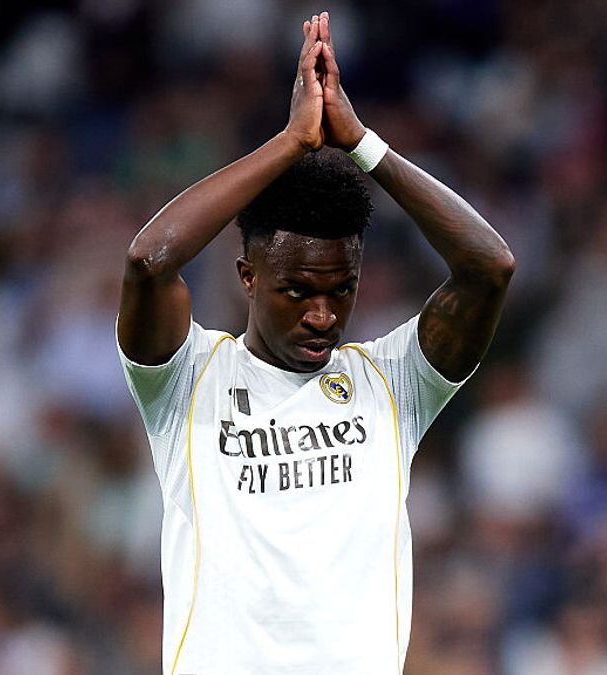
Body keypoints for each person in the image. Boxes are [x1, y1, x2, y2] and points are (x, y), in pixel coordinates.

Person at [117, 11, 514, 674]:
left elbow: (489, 266)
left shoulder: (393, 383)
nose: (324, 315)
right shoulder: (186, 380)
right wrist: (291, 143)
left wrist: (361, 144)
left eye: (342, 290)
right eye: (298, 291)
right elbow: (149, 260)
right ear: (248, 275)